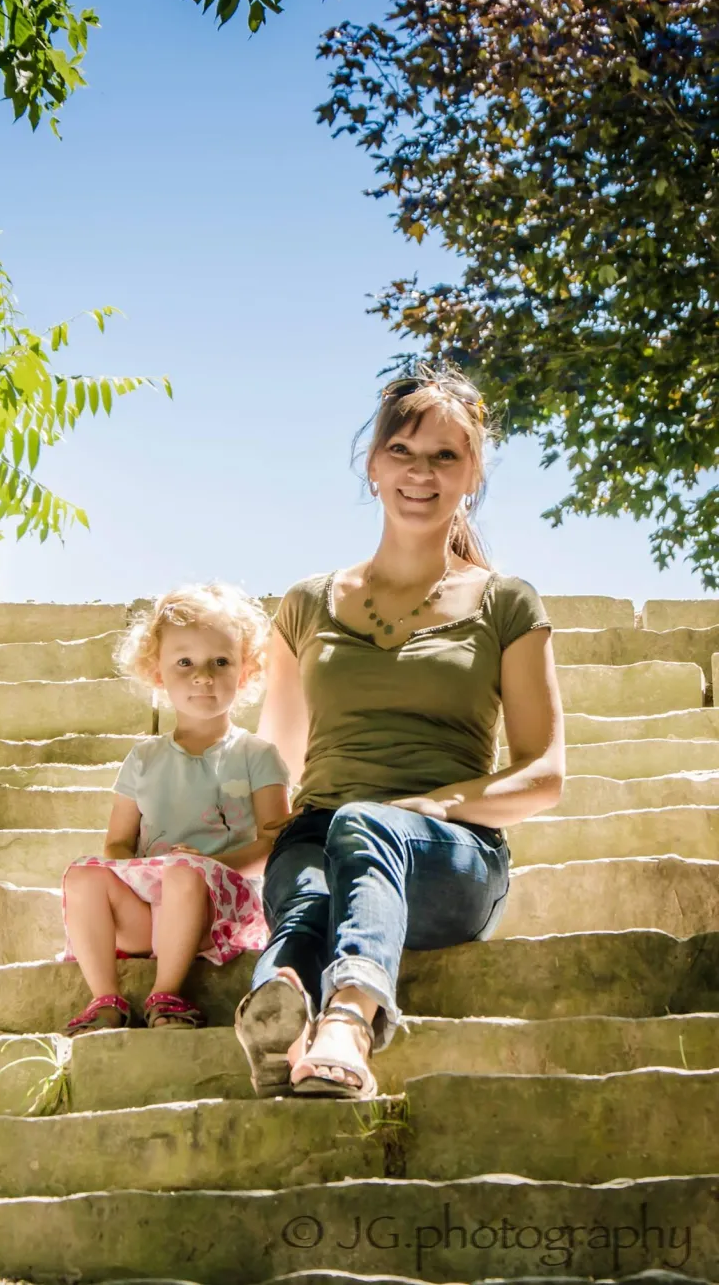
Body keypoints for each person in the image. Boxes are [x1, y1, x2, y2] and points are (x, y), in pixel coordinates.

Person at [234, 365, 566, 1100]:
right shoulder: (307, 604)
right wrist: (203, 857)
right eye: (404, 452)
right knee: (311, 889)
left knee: (363, 825)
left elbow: (544, 773)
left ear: (473, 473)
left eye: (445, 455)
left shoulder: (506, 602)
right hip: (319, 833)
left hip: (452, 857)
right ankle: (281, 1010)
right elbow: (273, 765)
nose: (422, 473)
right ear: (373, 465)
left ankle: (351, 1018)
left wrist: (433, 806)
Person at [60, 583, 291, 1035]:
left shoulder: (257, 754)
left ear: (244, 672)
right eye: (184, 663)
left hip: (217, 914)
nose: (202, 676)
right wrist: (136, 874)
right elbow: (118, 841)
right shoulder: (144, 758)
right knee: (84, 875)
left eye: (220, 662)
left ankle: (167, 993)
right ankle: (104, 999)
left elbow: (273, 841)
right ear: (157, 673)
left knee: (184, 873)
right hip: (147, 915)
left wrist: (208, 863)